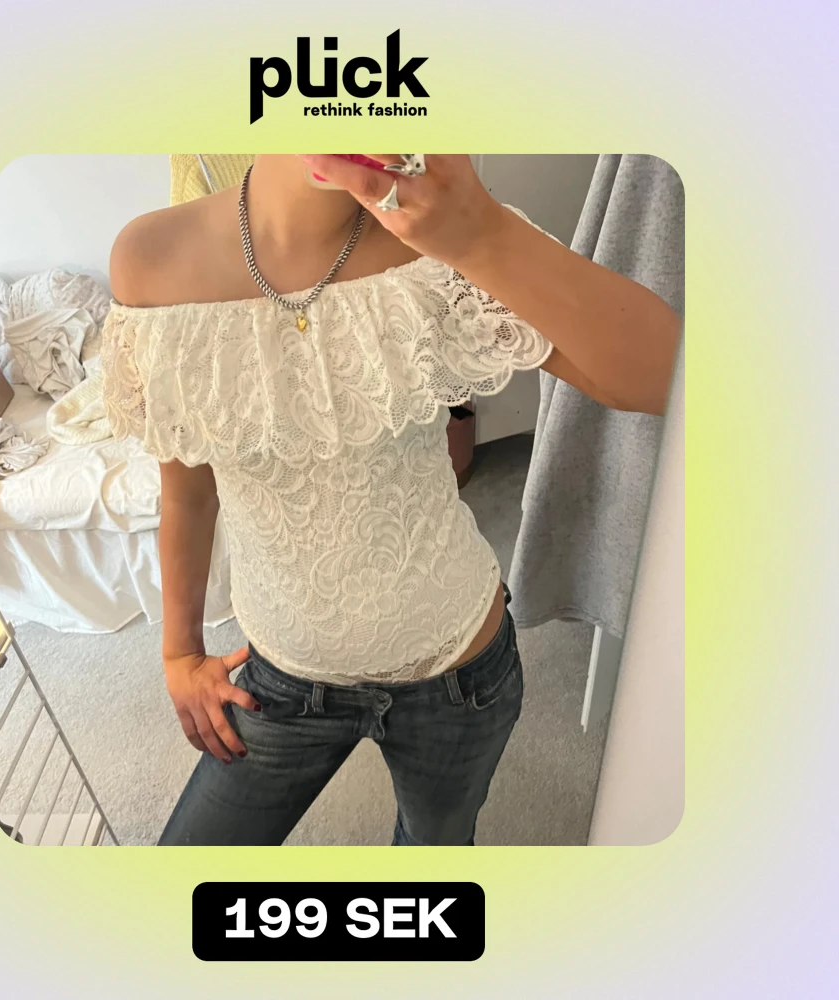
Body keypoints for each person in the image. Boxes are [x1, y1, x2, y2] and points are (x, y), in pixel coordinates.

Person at [100, 154, 681, 846]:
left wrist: (486, 233)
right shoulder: (152, 261)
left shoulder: (451, 242)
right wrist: (179, 654)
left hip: (457, 673)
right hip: (280, 673)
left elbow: (664, 380)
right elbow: (188, 493)